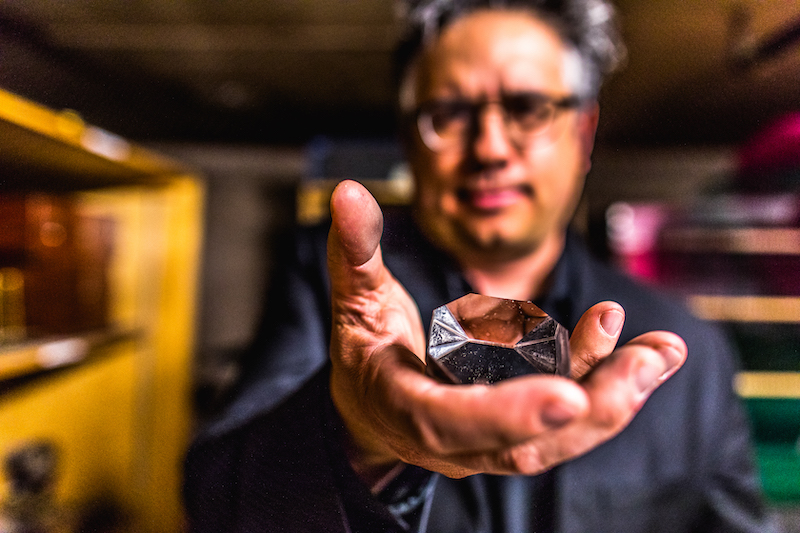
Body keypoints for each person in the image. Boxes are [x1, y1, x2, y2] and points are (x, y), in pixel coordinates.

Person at [183, 1, 780, 531]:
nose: (490, 147)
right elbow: (216, 501)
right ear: (409, 136)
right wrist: (355, 437)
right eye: (450, 112)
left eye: (528, 108)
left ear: (583, 130)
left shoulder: (684, 347)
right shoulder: (330, 283)